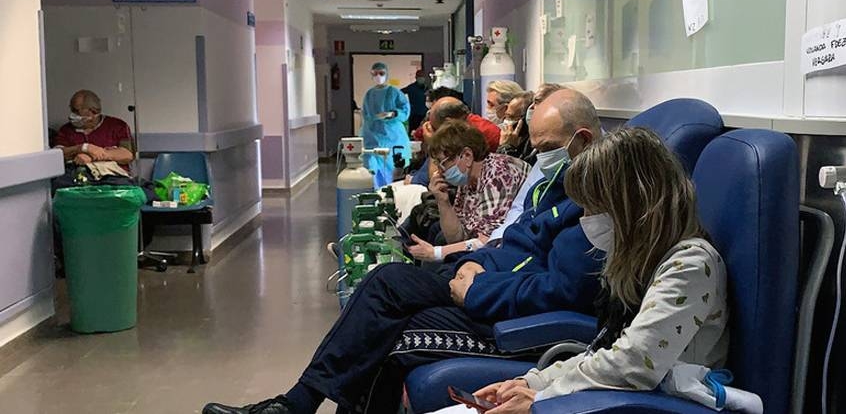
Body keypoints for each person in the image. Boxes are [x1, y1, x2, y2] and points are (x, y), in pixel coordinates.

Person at [202, 89, 604, 414]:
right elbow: (512, 241)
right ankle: (296, 404)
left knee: (387, 303)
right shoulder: (553, 186)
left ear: (583, 140)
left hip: (514, 317)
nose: (540, 158)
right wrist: (471, 263)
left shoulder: (597, 205)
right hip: (489, 282)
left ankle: (296, 404)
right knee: (385, 296)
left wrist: (477, 287)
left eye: (547, 147)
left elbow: (563, 290)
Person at [460, 127, 731, 414]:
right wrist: (530, 382)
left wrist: (540, 400)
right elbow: (607, 352)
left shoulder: (690, 264)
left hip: (661, 405)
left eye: (591, 209)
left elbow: (634, 364)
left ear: (633, 207)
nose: (585, 220)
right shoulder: (636, 263)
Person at [406, 120, 530, 262]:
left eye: (442, 163)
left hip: (510, 255)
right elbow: (456, 238)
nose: (439, 172)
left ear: (467, 156)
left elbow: (489, 241)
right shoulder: (468, 180)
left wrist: (436, 253)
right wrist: (442, 201)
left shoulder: (499, 174)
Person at [487, 83, 565, 242]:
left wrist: (506, 149)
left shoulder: (554, 152)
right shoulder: (536, 148)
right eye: (534, 104)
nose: (533, 110)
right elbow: (519, 206)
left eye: (539, 104)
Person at [53, 89, 134, 168]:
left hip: (113, 177)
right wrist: (82, 148)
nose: (72, 114)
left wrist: (93, 156)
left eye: (76, 111)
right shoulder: (66, 130)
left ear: (92, 112)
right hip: (77, 177)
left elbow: (128, 155)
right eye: (72, 110)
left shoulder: (118, 126)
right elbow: (57, 154)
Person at [361, 62, 411, 186]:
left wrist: (393, 113)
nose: (378, 76)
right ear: (371, 75)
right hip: (373, 136)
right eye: (375, 73)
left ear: (386, 74)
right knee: (374, 169)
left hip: (393, 136)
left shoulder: (394, 92)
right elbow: (366, 115)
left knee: (395, 167)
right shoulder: (369, 94)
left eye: (381, 73)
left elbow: (405, 110)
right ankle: (377, 193)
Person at [497, 91, 534, 162]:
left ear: (525, 118)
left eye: (511, 117)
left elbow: (507, 170)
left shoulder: (531, 145)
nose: (506, 121)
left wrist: (506, 147)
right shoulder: (504, 136)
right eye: (506, 116)